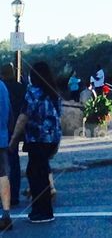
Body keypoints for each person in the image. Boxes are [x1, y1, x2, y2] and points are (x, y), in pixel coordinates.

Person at [9, 61, 61, 224]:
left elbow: (23, 116)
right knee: (42, 173)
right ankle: (44, 210)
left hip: (37, 138)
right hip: (51, 138)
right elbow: (58, 117)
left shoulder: (33, 92)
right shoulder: (54, 93)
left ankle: (41, 210)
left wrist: (13, 139)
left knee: (35, 174)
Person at [0, 65, 24, 210]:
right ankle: (11, 199)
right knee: (10, 165)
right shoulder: (18, 88)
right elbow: (11, 113)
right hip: (8, 132)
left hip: (6, 130)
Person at [0, 70, 12, 231]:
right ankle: (6, 213)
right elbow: (9, 111)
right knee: (2, 175)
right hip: (2, 136)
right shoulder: (2, 86)